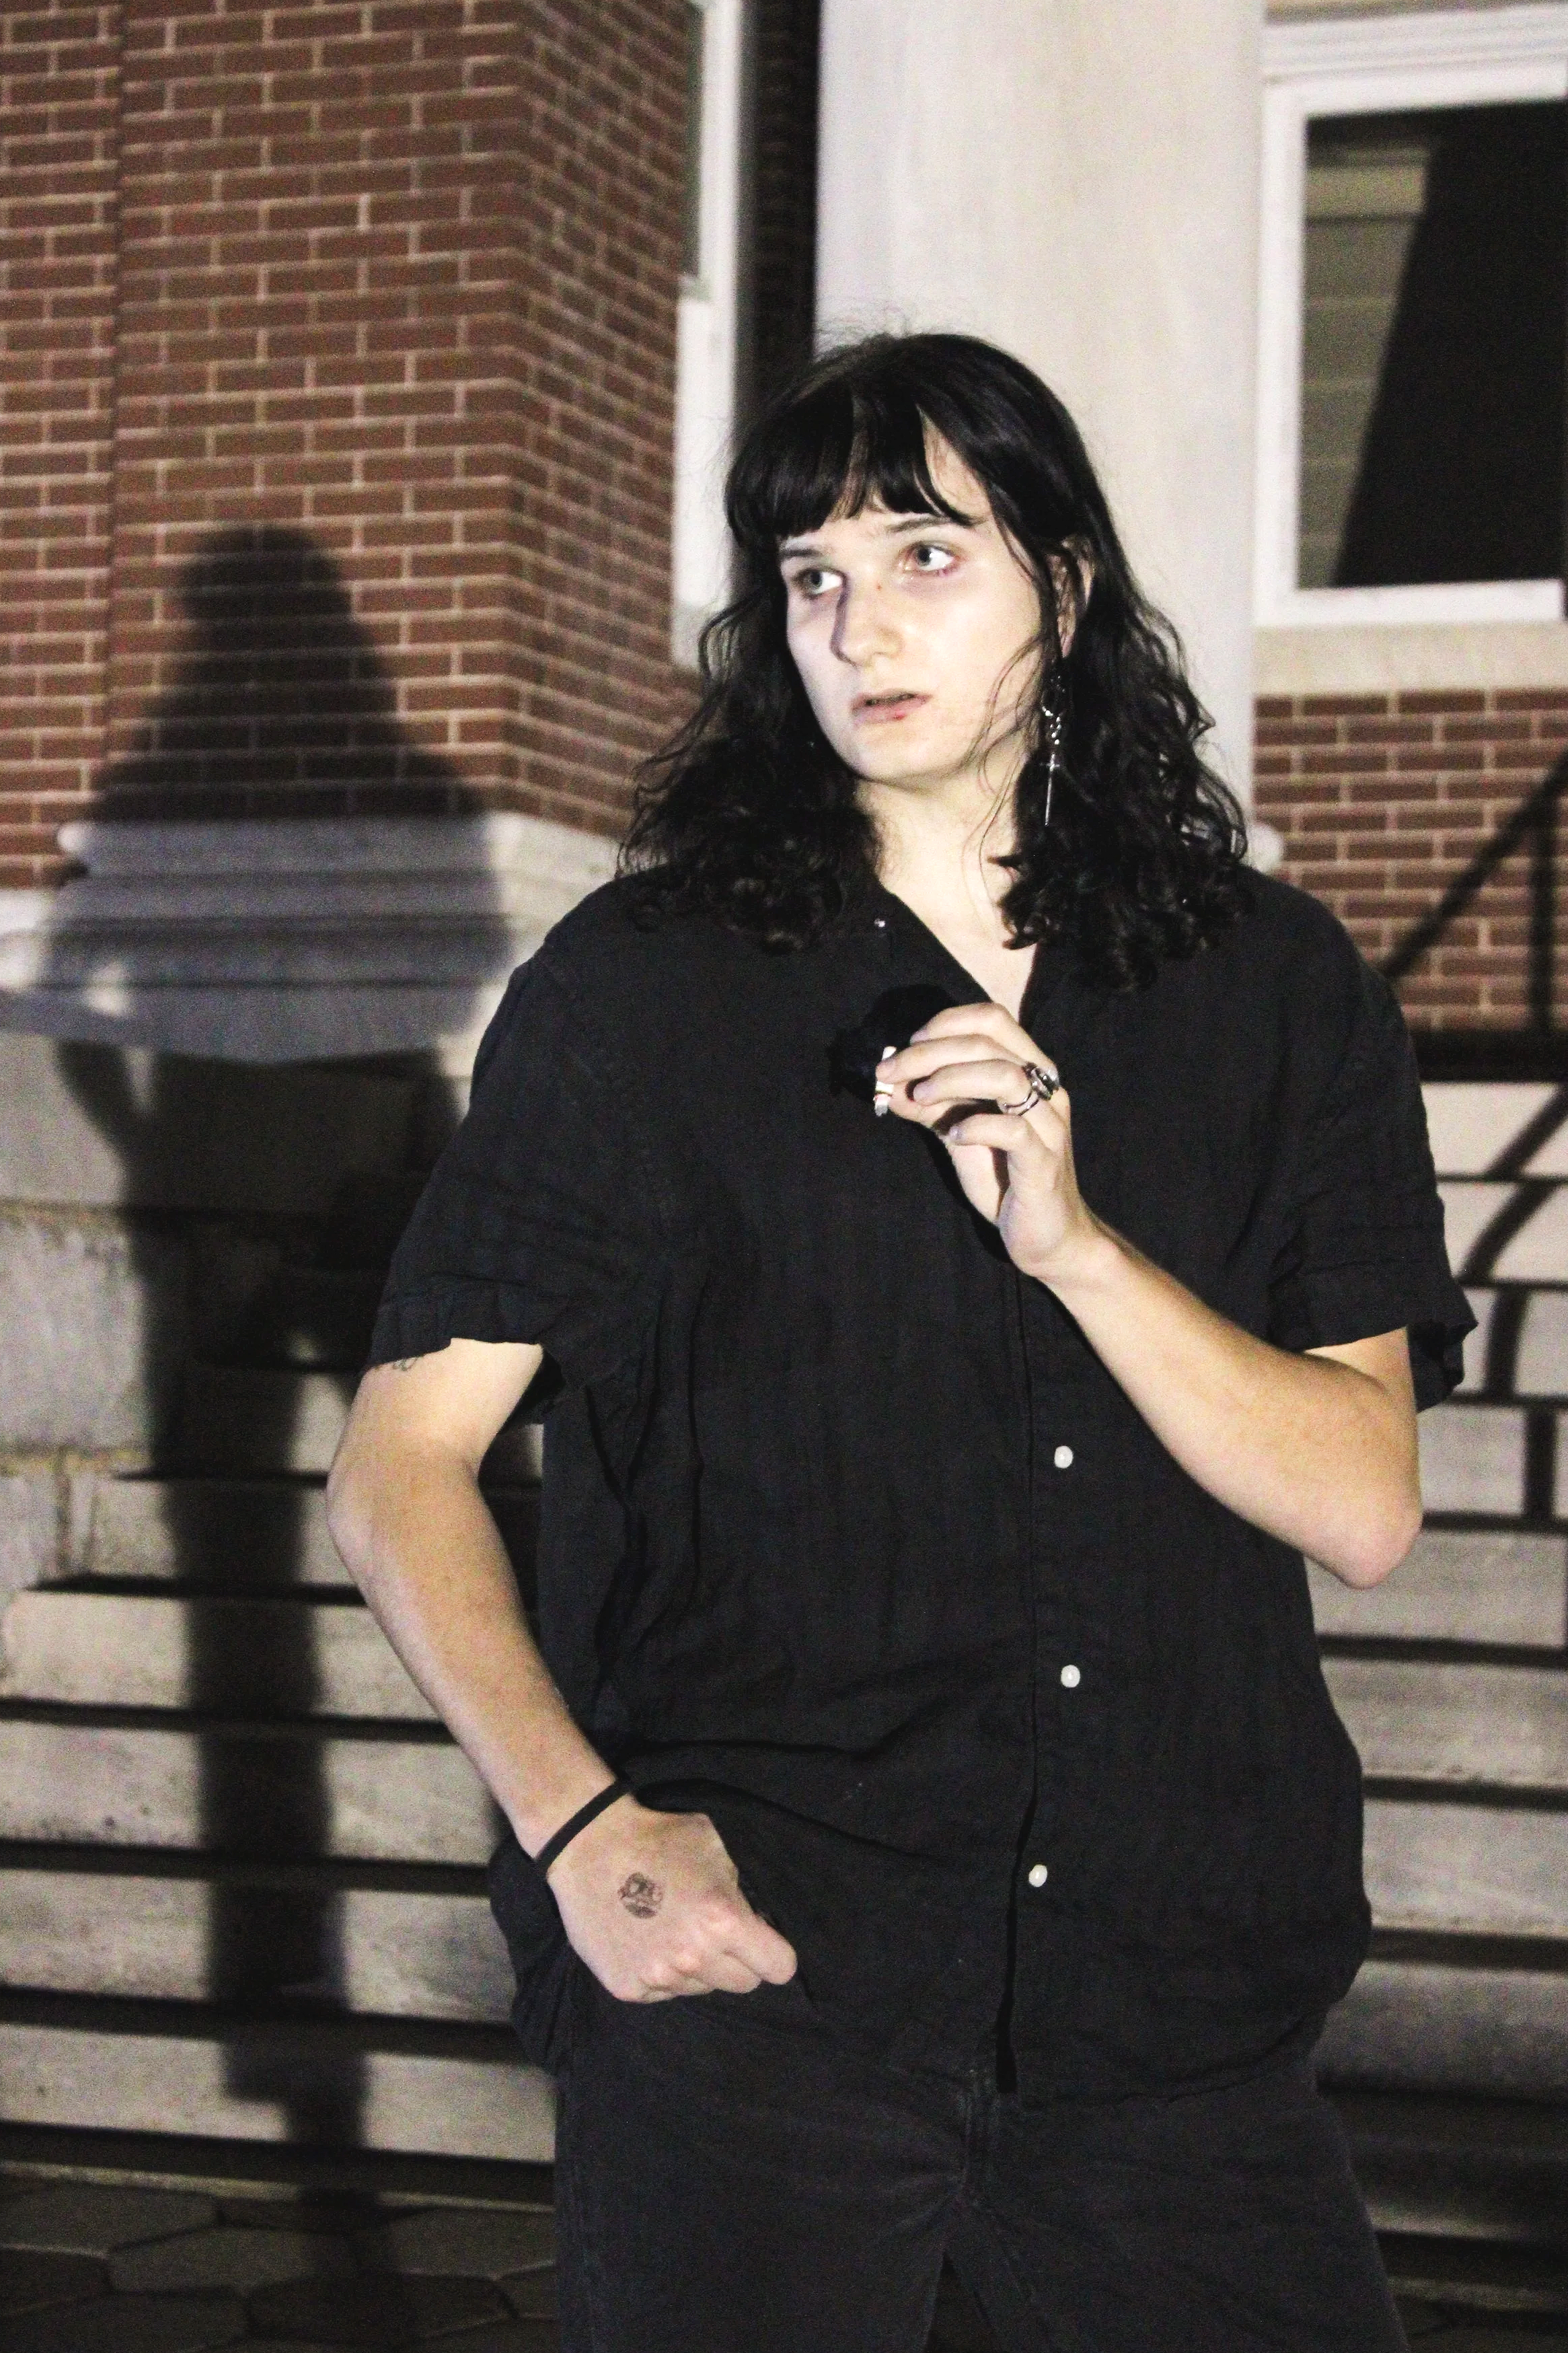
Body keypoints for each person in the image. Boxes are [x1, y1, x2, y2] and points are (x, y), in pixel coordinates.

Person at [327, 332, 1472, 2352]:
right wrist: (584, 1836)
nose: (859, 627)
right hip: (766, 1999)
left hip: (1173, 2023)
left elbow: (1364, 1505)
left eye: (927, 555)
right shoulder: (647, 991)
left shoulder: (1271, 991)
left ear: (1068, 587)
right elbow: (401, 1467)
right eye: (813, 577)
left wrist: (1080, 1251)